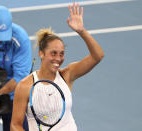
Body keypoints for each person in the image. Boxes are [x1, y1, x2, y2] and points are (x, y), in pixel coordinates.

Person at [10, 3, 104, 131]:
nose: (58, 59)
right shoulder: (25, 86)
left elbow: (97, 56)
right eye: (53, 53)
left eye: (61, 54)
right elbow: (15, 125)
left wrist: (82, 31)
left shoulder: (67, 75)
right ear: (41, 53)